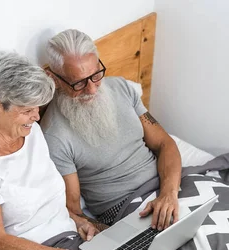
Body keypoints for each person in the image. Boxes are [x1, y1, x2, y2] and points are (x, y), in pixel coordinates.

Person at [0, 51, 116, 250]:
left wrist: (78, 221)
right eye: (27, 110)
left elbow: (48, 204)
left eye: (37, 108)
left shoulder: (32, 133)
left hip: (69, 241)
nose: (37, 117)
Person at [41, 29, 182, 232]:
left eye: (96, 75)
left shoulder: (122, 88)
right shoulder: (54, 135)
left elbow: (165, 143)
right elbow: (73, 211)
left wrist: (168, 194)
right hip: (128, 208)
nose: (91, 89)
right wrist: (111, 235)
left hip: (169, 185)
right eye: (79, 83)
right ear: (54, 79)